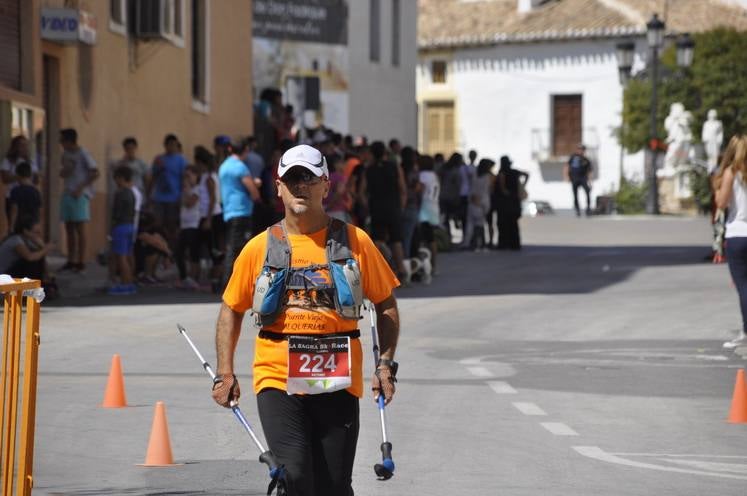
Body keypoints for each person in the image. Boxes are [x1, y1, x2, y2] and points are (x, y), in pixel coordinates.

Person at [212, 143, 401, 496]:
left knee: (333, 486)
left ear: (326, 185)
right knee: (294, 476)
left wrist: (385, 365)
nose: (301, 186)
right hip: (277, 377)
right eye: (293, 178)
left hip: (337, 379)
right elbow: (231, 308)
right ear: (278, 186)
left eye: (309, 178)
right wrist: (225, 372)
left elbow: (386, 304)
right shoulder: (259, 247)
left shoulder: (355, 241)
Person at [715, 134, 747, 349]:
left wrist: (717, 187)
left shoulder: (731, 173)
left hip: (738, 233)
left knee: (744, 286)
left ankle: (746, 331)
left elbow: (722, 202)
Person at [219, 137, 261, 288]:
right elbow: (253, 192)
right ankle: (232, 283)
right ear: (246, 150)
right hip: (241, 211)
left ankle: (228, 281)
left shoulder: (224, 166)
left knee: (231, 246)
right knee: (240, 248)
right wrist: (256, 185)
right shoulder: (240, 167)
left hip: (229, 210)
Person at [364, 141, 409, 281]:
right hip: (393, 207)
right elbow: (402, 189)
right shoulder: (395, 167)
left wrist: (367, 206)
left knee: (377, 240)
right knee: (396, 240)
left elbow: (361, 192)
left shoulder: (369, 170)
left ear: (372, 153)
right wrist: (401, 207)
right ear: (385, 153)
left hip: (376, 208)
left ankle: (380, 270)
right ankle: (401, 271)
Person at [59, 128, 99, 272]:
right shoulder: (65, 154)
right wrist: (66, 170)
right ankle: (71, 259)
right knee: (68, 227)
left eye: (62, 140)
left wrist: (81, 188)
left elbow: (95, 172)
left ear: (69, 141)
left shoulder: (83, 153)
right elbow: (63, 173)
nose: (61, 144)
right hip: (68, 192)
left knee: (80, 228)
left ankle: (81, 261)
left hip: (80, 194)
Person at [149, 134, 187, 249]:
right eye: (169, 145)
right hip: (159, 198)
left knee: (171, 225)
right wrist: (149, 194)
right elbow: (153, 177)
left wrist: (182, 196)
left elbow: (184, 179)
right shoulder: (159, 159)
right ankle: (158, 249)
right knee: (158, 225)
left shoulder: (181, 160)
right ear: (165, 146)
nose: (172, 147)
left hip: (174, 198)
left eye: (174, 145)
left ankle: (171, 251)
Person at [1, 135, 40, 234]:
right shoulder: (8, 161)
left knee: (29, 225)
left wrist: (35, 176)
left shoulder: (31, 161)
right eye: (21, 145)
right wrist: (20, 176)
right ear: (15, 147)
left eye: (26, 145)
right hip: (12, 195)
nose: (24, 148)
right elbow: (5, 178)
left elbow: (36, 180)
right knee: (15, 223)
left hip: (28, 195)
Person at [0, 214, 54, 283]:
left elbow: (40, 255)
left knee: (38, 256)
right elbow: (30, 257)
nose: (38, 235)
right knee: (32, 261)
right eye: (36, 232)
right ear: (25, 231)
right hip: (4, 275)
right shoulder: (16, 240)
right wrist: (45, 249)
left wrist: (41, 245)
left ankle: (42, 283)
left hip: (11, 273)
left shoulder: (27, 239)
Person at [108, 166, 137, 295]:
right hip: (130, 226)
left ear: (120, 178)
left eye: (116, 179)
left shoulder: (119, 193)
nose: (115, 182)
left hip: (120, 227)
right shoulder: (132, 192)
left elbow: (116, 214)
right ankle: (130, 282)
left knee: (121, 257)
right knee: (128, 255)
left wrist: (111, 228)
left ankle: (126, 284)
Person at [176, 166, 202, 289]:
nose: (186, 179)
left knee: (193, 253)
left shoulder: (197, 189)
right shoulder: (185, 190)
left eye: (189, 176)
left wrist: (186, 190)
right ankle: (184, 277)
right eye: (185, 176)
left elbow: (189, 203)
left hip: (193, 224)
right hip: (184, 225)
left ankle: (193, 278)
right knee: (179, 252)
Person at [495, 155, 528, 250]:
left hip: (504, 202)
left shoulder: (502, 173)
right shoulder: (514, 172)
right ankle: (514, 244)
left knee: (503, 224)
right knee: (513, 224)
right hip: (514, 201)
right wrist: (523, 185)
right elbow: (526, 174)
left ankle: (504, 244)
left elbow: (502, 185)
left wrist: (505, 191)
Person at [462, 159, 494, 251]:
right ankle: (480, 243)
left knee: (470, 224)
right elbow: (490, 189)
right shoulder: (488, 177)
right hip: (483, 202)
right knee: (479, 225)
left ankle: (468, 243)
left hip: (472, 200)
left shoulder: (474, 175)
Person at [418, 154, 440, 273]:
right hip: (434, 207)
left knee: (423, 238)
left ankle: (425, 265)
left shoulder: (423, 175)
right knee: (431, 238)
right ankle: (433, 265)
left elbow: (420, 189)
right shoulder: (434, 175)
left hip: (424, 207)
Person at [400, 146, 422, 257]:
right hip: (412, 206)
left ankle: (402, 263)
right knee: (410, 238)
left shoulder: (399, 169)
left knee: (401, 239)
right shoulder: (415, 171)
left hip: (399, 206)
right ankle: (408, 263)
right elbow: (418, 189)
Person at [8, 162, 42, 232]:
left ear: (18, 175)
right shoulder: (36, 192)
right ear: (30, 175)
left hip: (20, 225)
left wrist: (11, 226)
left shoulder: (15, 191)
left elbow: (14, 209)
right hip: (33, 225)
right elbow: (39, 210)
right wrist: (38, 224)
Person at [564, 144, 593, 217]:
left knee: (587, 192)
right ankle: (577, 210)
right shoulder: (573, 157)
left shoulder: (586, 160)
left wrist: (590, 181)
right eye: (579, 149)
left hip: (583, 178)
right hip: (574, 178)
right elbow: (567, 166)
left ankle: (588, 208)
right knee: (575, 195)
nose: (581, 151)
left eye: (582, 149)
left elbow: (589, 171)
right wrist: (566, 176)